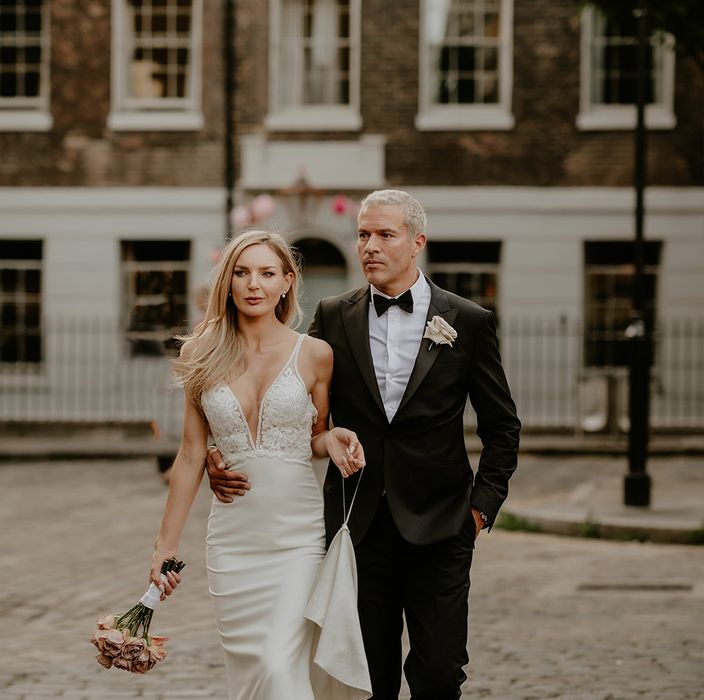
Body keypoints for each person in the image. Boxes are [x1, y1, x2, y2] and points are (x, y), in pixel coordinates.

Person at [208, 190, 521, 699]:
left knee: (440, 673)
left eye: (384, 235)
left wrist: (480, 509)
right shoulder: (334, 317)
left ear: (417, 241)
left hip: (443, 525)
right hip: (357, 528)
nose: (369, 246)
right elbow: (284, 403)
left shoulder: (468, 321)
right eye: (362, 235)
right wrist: (218, 449)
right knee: (367, 679)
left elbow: (502, 427)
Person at [150, 229, 369, 699]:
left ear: (287, 282)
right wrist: (162, 548)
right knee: (255, 677)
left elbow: (315, 436)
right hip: (233, 544)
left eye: (268, 273)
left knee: (279, 663)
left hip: (297, 538)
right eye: (243, 273)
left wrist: (332, 438)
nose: (255, 284)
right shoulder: (199, 353)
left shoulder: (315, 354)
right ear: (227, 283)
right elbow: (191, 453)